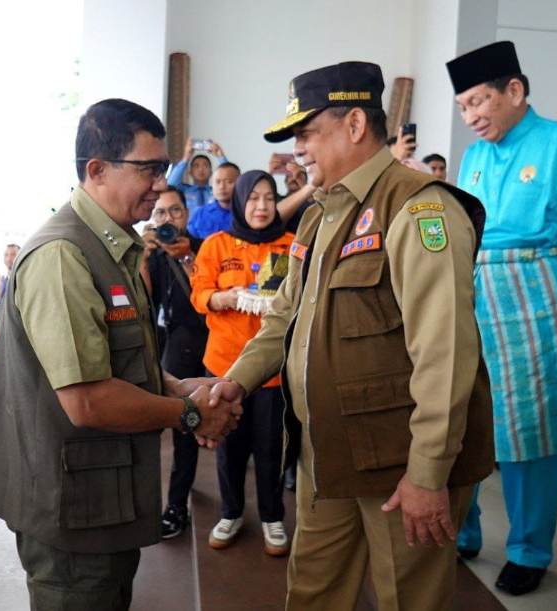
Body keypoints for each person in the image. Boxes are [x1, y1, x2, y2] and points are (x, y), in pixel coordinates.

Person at [208, 61, 494, 611]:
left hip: (400, 461)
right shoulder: (320, 215)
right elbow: (285, 317)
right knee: (314, 591)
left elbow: (446, 353)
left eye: (307, 132)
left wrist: (428, 475)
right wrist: (236, 381)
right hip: (328, 452)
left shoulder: (418, 207)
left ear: (356, 123)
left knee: (407, 597)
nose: (298, 150)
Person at [0, 98, 241, 611]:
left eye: (162, 169)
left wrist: (180, 386)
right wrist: (189, 412)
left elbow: (122, 360)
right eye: (149, 169)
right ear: (97, 169)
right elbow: (87, 399)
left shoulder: (114, 246)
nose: (160, 184)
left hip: (103, 497)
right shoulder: (64, 256)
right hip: (71, 506)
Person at [447, 41, 557, 595]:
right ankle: (462, 532)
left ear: (515, 91)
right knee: (467, 419)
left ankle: (529, 549)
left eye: (478, 102)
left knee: (532, 432)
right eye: (463, 108)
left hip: (540, 300)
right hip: (475, 298)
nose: (472, 117)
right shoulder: (473, 156)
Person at [190, 170, 294, 556]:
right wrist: (224, 297)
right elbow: (199, 294)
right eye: (253, 198)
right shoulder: (217, 245)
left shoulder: (290, 246)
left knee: (271, 449)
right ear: (240, 202)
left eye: (269, 198)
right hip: (224, 364)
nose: (262, 206)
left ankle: (272, 516)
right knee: (228, 445)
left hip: (272, 371)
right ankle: (231, 512)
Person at [141, 187, 209, 540]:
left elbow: (207, 296)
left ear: (187, 213)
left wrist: (188, 257)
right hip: (157, 344)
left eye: (176, 211)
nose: (168, 220)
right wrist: (141, 255)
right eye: (160, 213)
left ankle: (176, 505)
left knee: (186, 422)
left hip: (192, 345)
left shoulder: (204, 247)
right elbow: (140, 301)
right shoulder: (147, 252)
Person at [167, 137, 228, 210]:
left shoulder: (218, 191)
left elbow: (233, 183)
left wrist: (220, 156)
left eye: (205, 165)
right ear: (190, 172)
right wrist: (186, 157)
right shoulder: (183, 190)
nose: (201, 169)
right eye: (196, 166)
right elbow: (170, 184)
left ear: (211, 172)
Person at [187, 162, 240, 239]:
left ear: (240, 183)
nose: (222, 187)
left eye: (229, 182)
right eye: (218, 182)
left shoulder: (246, 214)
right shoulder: (200, 214)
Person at [269, 154, 316, 235]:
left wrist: (300, 179)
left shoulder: (312, 201)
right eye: (289, 175)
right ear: (285, 182)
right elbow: (266, 196)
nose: (293, 178)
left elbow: (315, 206)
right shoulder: (279, 200)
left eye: (298, 175)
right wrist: (270, 173)